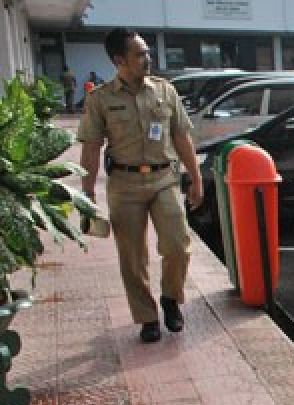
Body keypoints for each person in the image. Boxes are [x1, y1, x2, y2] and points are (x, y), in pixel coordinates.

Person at [77, 29, 203, 343]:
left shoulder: (165, 91)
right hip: (124, 184)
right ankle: (146, 317)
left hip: (164, 179)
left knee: (177, 244)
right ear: (119, 60)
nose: (148, 59)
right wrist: (87, 191)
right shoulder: (100, 99)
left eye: (147, 52)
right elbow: (91, 147)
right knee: (132, 257)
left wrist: (196, 178)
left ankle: (171, 298)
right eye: (140, 54)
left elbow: (181, 138)